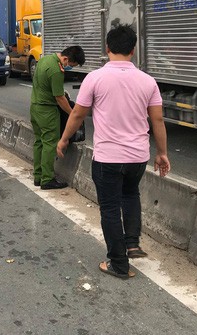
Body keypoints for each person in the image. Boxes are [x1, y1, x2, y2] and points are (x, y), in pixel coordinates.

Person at [57, 24, 171, 280]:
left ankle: (118, 264)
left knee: (109, 209)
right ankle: (132, 243)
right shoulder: (147, 81)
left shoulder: (95, 78)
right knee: (131, 195)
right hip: (138, 157)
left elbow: (78, 114)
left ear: (107, 49)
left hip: (108, 158)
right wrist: (162, 153)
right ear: (133, 50)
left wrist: (64, 139)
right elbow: (158, 121)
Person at [29, 45, 85, 189]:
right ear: (66, 59)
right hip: (47, 111)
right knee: (49, 143)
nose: (69, 68)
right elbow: (59, 98)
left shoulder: (44, 60)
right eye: (71, 65)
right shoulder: (56, 70)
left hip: (35, 107)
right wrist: (72, 113)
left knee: (39, 142)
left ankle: (38, 176)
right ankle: (47, 179)